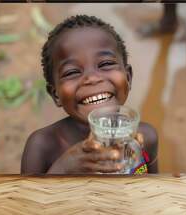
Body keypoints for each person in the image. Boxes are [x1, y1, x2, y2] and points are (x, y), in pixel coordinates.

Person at [21, 15, 158, 175]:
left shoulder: (146, 137)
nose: (92, 78)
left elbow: (156, 188)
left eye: (105, 64)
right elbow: (28, 198)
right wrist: (63, 168)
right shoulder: (42, 146)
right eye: (71, 72)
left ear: (128, 77)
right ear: (55, 94)